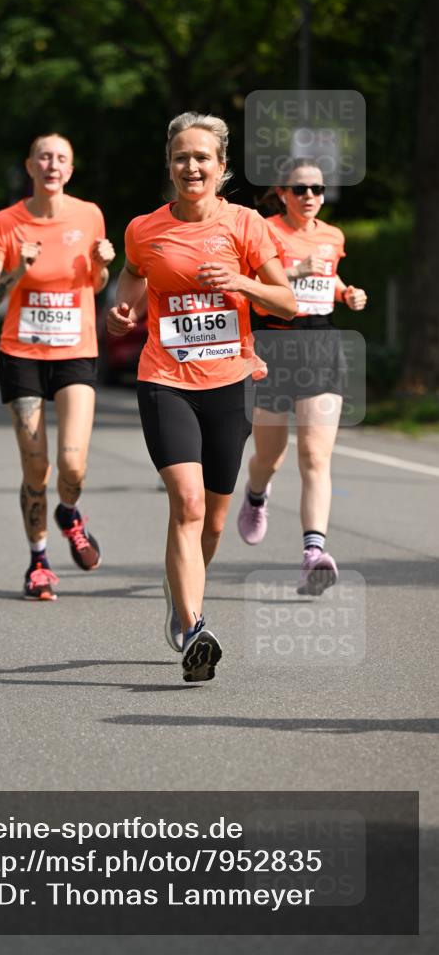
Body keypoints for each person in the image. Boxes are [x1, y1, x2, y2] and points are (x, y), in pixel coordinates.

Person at [107, 112, 296, 682]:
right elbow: (132, 278)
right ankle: (194, 626)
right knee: (186, 503)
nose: (192, 167)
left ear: (221, 167)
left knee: (212, 521)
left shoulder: (246, 225)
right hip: (165, 379)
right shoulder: (144, 228)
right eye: (182, 157)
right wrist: (124, 311)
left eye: (202, 158)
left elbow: (286, 304)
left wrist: (241, 283)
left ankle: (178, 588)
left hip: (231, 383)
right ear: (170, 164)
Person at [0, 133, 115, 601]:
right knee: (36, 468)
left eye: (62, 159)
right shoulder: (6, 222)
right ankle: (38, 562)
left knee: (72, 466)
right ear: (30, 166)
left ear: (70, 170)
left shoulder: (89, 214)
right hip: (23, 355)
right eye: (44, 157)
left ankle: (70, 513)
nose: (52, 165)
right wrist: (18, 270)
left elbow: (94, 284)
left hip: (75, 351)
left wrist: (102, 266)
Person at [236, 159, 367, 594]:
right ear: (282, 192)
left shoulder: (333, 236)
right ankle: (257, 494)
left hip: (321, 346)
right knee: (269, 457)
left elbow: (328, 277)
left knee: (314, 457)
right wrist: (294, 272)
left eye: (317, 188)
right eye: (300, 189)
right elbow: (251, 288)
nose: (309, 195)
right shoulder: (264, 229)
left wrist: (346, 292)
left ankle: (314, 554)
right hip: (274, 344)